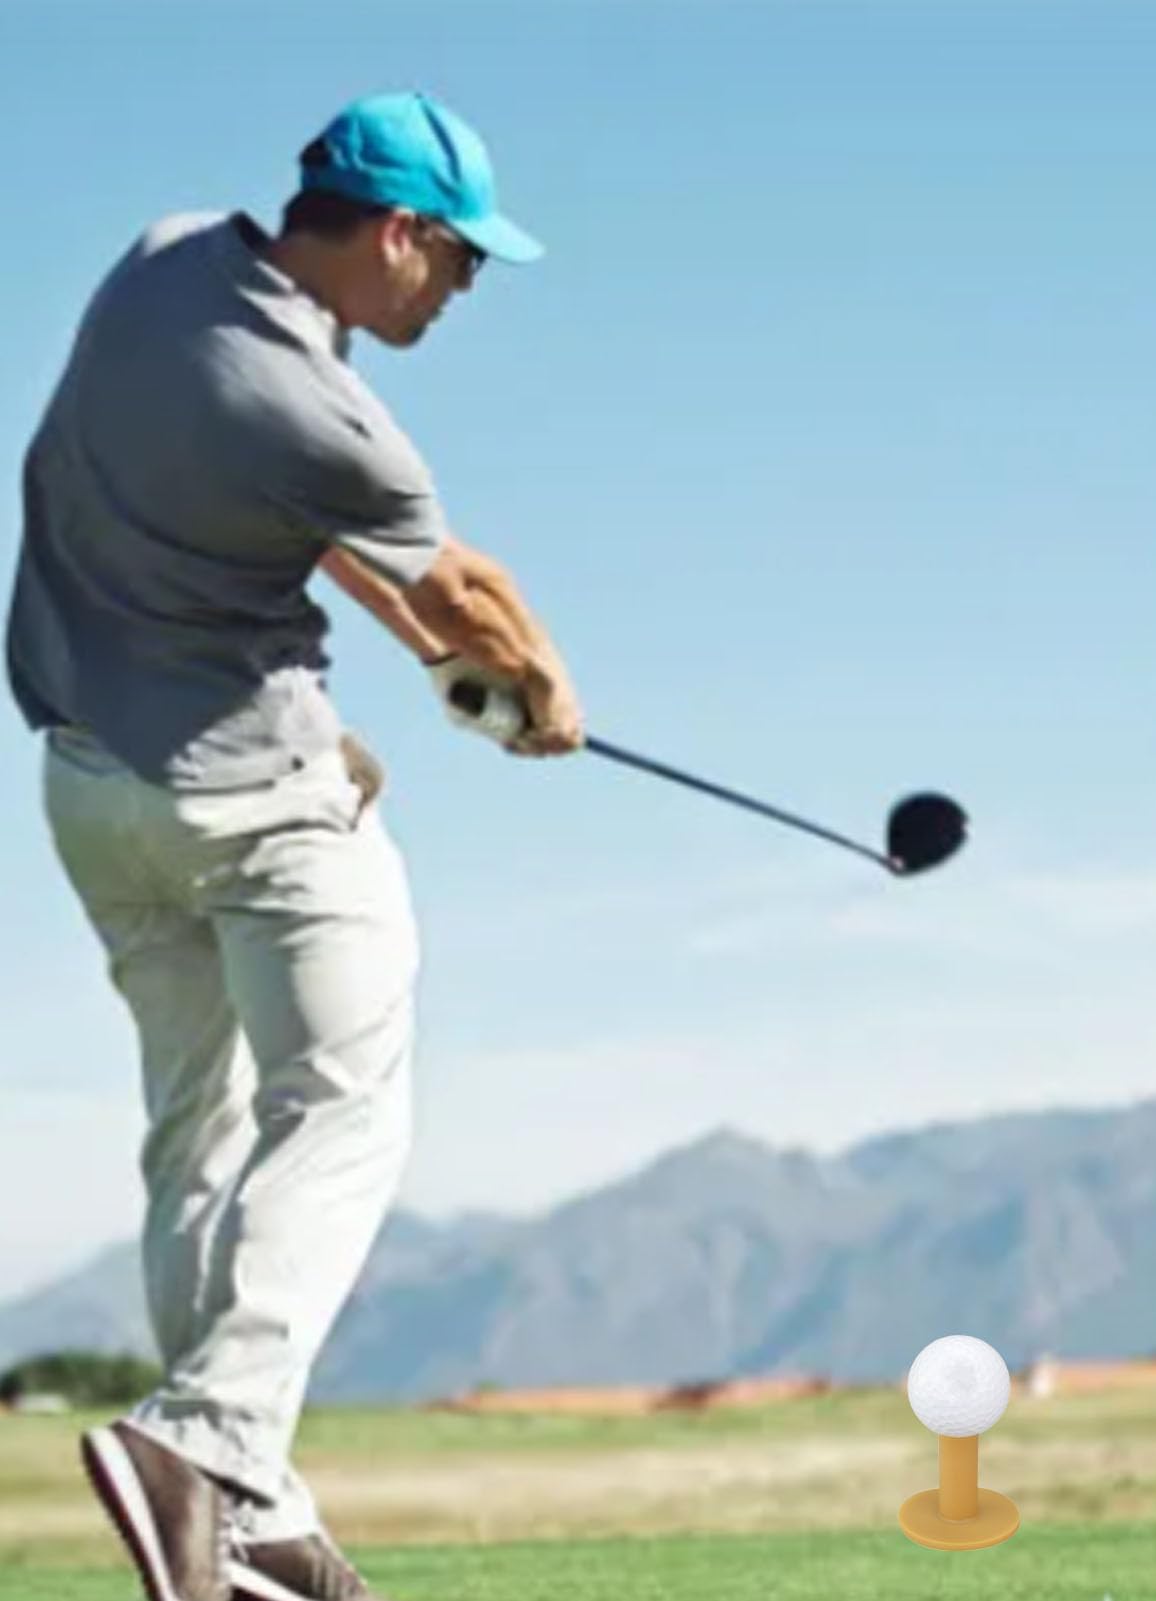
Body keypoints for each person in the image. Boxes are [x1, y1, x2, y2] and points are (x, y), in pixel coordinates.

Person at [4, 90, 583, 1601]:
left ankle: (250, 1517)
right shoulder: (346, 426)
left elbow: (303, 526)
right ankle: (199, 1443)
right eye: (457, 262)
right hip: (248, 799)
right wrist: (544, 699)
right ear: (397, 233)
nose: (459, 294)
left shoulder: (159, 258)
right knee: (345, 1105)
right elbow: (465, 591)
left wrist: (386, 678)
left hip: (87, 784)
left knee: (195, 1128)